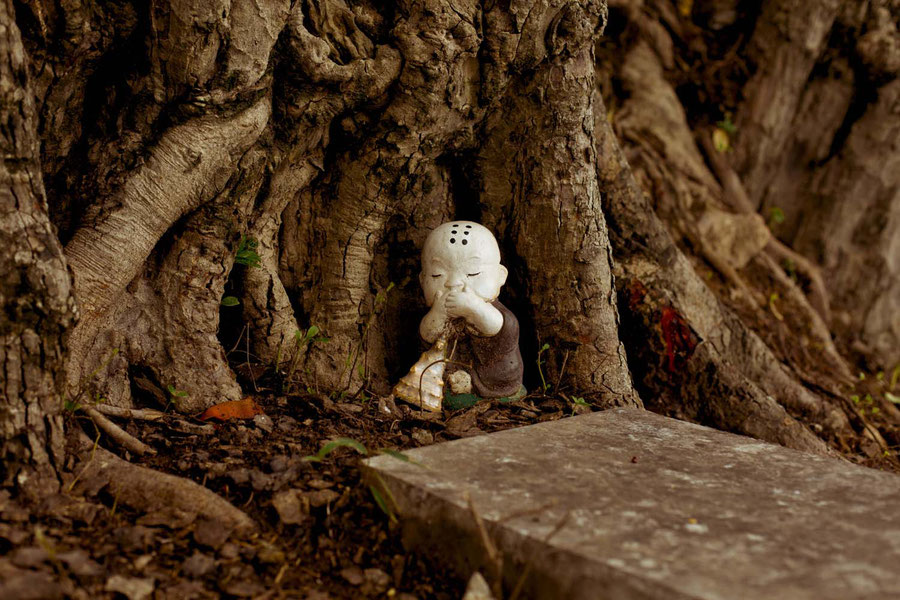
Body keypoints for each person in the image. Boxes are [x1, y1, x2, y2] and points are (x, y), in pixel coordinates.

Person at [417, 221, 524, 399]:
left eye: (473, 273)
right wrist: (438, 314)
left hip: (490, 373)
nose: (453, 283)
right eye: (437, 274)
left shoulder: (499, 315)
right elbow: (427, 334)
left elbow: (495, 327)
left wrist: (473, 308)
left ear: (500, 276)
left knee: (503, 373)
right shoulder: (438, 309)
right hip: (447, 371)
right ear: (422, 280)